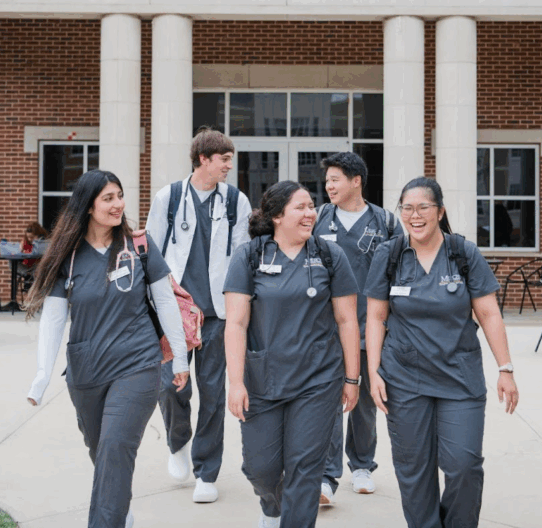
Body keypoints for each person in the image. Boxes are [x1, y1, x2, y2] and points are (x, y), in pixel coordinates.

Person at [24, 170, 189, 528]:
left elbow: (165, 302)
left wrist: (180, 357)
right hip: (86, 372)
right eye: (108, 198)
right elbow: (53, 320)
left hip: (137, 364)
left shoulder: (139, 246)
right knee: (103, 453)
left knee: (115, 447)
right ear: (88, 207)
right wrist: (41, 375)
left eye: (120, 196)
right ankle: (120, 512)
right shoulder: (67, 257)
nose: (119, 205)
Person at [365, 177, 519, 528]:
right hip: (403, 379)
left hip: (459, 378)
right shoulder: (389, 255)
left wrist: (505, 368)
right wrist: (374, 371)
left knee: (464, 465)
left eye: (423, 207)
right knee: (413, 470)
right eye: (407, 208)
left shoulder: (463, 254)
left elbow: (489, 312)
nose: (414, 215)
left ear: (440, 211)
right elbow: (375, 316)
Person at [225, 180, 362, 528]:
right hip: (263, 377)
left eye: (311, 207)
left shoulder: (330, 256)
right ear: (276, 216)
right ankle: (272, 507)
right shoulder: (250, 255)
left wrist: (351, 377)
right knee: (261, 468)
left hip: (318, 379)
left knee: (305, 469)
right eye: (300, 207)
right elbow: (237, 324)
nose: (310, 213)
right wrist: (236, 382)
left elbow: (347, 321)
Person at [145, 128, 252, 503]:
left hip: (218, 315)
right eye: (224, 159)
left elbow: (242, 257)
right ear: (204, 159)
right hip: (175, 313)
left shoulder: (237, 201)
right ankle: (178, 443)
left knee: (212, 393)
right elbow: (151, 252)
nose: (228, 166)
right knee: (170, 385)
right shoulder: (170, 197)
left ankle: (207, 471)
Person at [313, 152, 402, 504]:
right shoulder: (319, 218)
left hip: (371, 328)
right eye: (328, 180)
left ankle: (362, 465)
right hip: (327, 328)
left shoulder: (386, 222)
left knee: (365, 399)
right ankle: (326, 476)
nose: (328, 186)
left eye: (335, 179)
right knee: (330, 400)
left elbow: (397, 272)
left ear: (356, 181)